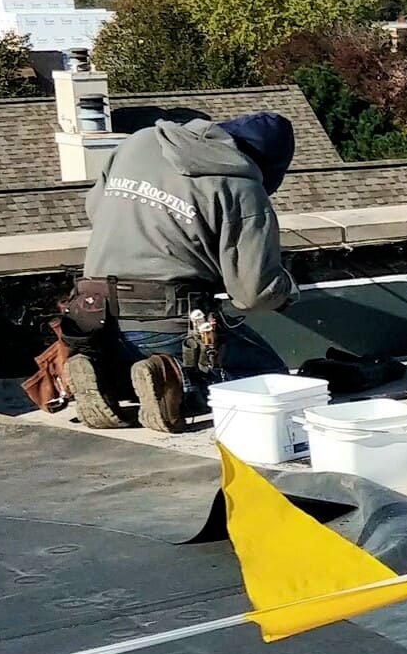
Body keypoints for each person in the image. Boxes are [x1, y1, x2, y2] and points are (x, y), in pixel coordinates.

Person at [64, 111, 298, 433]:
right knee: (271, 381)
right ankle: (177, 380)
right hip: (167, 321)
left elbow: (96, 209)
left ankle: (102, 373)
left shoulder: (140, 142)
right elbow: (253, 294)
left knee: (132, 356)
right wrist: (285, 289)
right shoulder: (242, 187)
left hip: (89, 316)